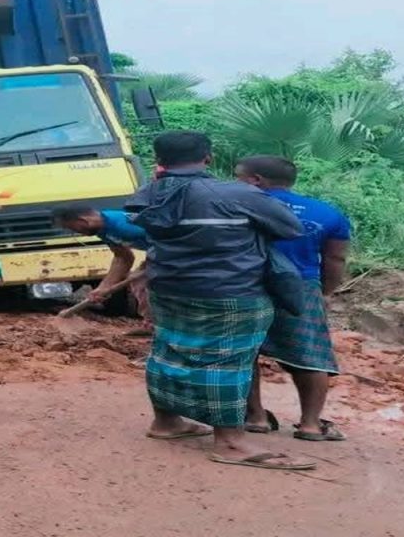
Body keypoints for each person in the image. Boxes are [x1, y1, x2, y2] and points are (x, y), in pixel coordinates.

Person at [127, 131, 313, 471]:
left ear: (159, 159)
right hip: (230, 291)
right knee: (227, 363)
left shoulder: (146, 194)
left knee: (168, 350)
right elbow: (291, 228)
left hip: (167, 288)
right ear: (208, 158)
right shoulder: (236, 193)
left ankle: (167, 423)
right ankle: (229, 442)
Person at [235, 155, 351, 442]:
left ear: (256, 180)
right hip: (301, 284)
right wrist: (325, 292)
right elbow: (336, 257)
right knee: (311, 352)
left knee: (244, 351)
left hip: (245, 282)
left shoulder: (237, 206)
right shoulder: (327, 212)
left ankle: (256, 417)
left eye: (238, 176)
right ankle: (311, 424)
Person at [51, 205, 152, 328]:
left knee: (155, 283)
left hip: (175, 252)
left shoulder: (123, 226)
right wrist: (103, 287)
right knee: (140, 283)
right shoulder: (104, 229)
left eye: (73, 228)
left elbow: (168, 240)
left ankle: (170, 329)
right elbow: (123, 258)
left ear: (83, 220)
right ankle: (151, 324)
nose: (76, 233)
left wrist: (150, 265)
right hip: (161, 254)